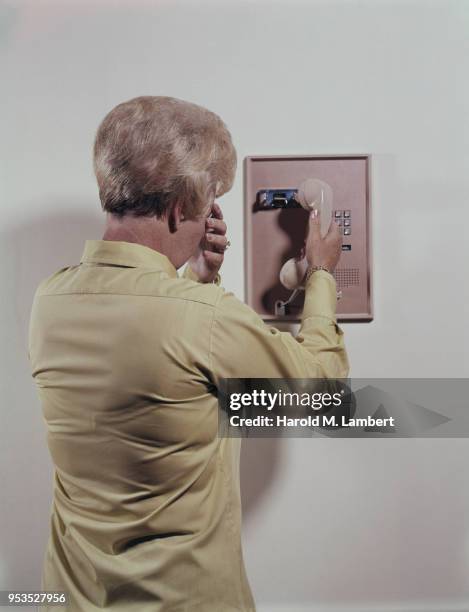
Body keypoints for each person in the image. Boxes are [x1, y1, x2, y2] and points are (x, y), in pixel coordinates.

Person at [28, 96, 349, 612]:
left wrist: (192, 276)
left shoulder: (50, 299)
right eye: (208, 202)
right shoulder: (203, 317)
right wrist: (322, 275)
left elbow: (149, 379)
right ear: (180, 208)